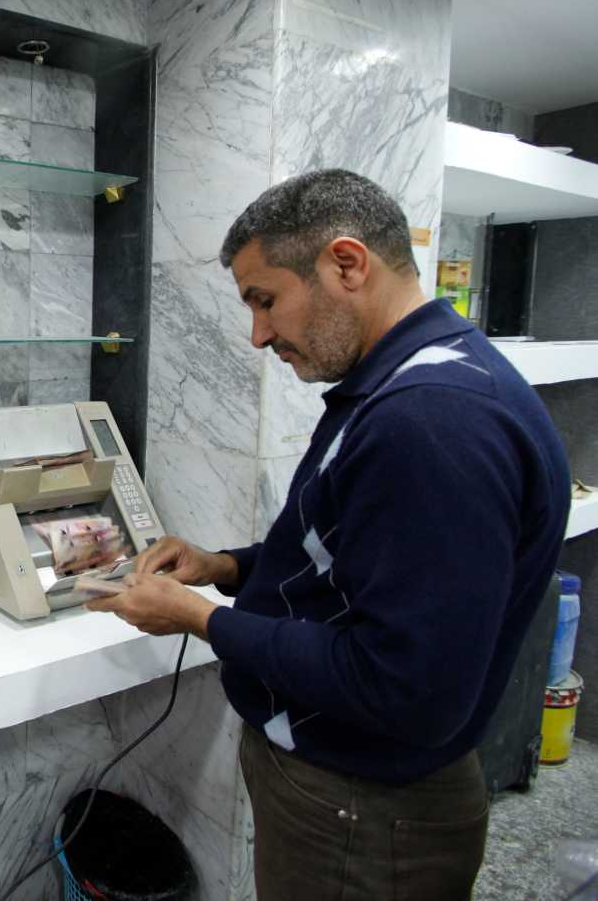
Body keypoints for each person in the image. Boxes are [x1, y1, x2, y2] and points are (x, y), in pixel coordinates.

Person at [86, 169, 569, 900]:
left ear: (347, 263)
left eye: (266, 299)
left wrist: (200, 619)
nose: (257, 334)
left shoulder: (431, 420)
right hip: (353, 796)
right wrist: (224, 567)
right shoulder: (414, 379)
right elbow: (357, 566)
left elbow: (408, 686)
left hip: (365, 816)